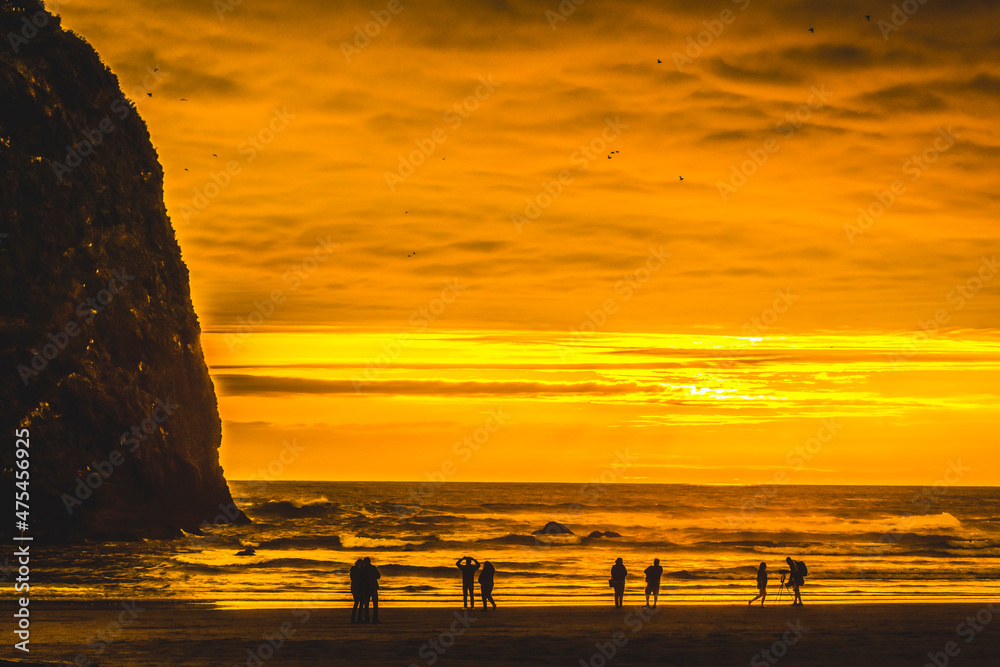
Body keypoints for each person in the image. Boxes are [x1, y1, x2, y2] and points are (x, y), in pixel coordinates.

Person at [362, 556, 382, 622]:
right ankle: (375, 618)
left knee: (366, 604)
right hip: (373, 587)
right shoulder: (373, 568)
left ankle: (367, 619)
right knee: (375, 604)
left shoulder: (363, 569)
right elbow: (378, 576)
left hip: (366, 588)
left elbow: (360, 579)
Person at [349, 558, 365, 623]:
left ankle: (357, 618)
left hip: (358, 588)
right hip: (356, 588)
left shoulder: (355, 570)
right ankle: (355, 618)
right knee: (357, 603)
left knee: (359, 603)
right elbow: (355, 579)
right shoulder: (355, 571)